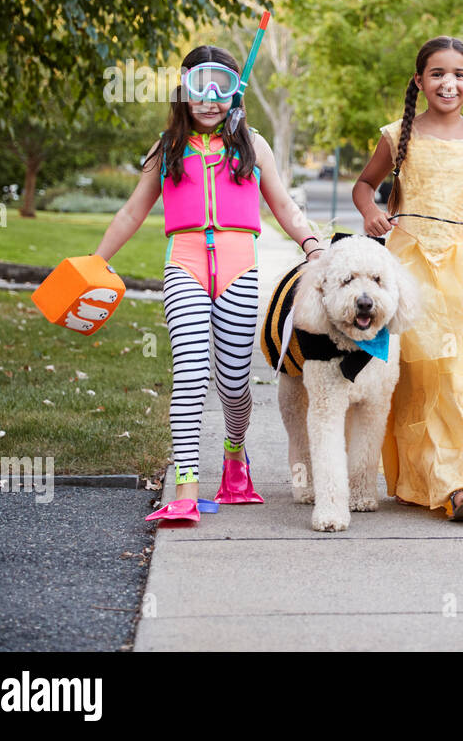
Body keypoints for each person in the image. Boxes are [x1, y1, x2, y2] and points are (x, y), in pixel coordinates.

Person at [94, 45, 325, 526]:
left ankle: (235, 461)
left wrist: (311, 244)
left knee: (235, 385)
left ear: (236, 93)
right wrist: (96, 261)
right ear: (184, 90)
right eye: (201, 86)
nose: (210, 99)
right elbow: (132, 211)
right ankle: (185, 487)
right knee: (190, 374)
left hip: (240, 271)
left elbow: (283, 205)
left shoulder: (252, 145)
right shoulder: (167, 148)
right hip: (185, 267)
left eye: (222, 87)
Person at [353, 36, 463, 522]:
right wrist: (370, 213)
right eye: (437, 74)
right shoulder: (396, 136)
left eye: (459, 75)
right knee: (417, 377)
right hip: (410, 272)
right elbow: (364, 186)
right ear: (419, 81)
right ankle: (418, 481)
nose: (448, 83)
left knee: (459, 376)